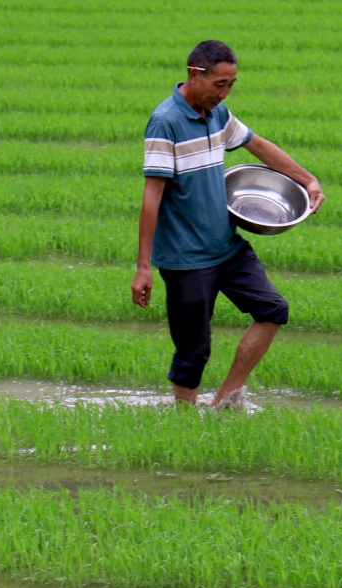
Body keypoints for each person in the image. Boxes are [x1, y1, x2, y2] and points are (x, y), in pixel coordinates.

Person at [131, 39, 325, 408]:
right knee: (193, 352)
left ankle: (224, 402)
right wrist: (143, 267)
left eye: (231, 85)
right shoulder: (165, 122)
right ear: (194, 74)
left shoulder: (217, 114)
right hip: (186, 258)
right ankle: (184, 422)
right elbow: (151, 197)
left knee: (273, 310)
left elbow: (258, 146)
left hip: (226, 246)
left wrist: (307, 179)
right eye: (220, 84)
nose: (225, 93)